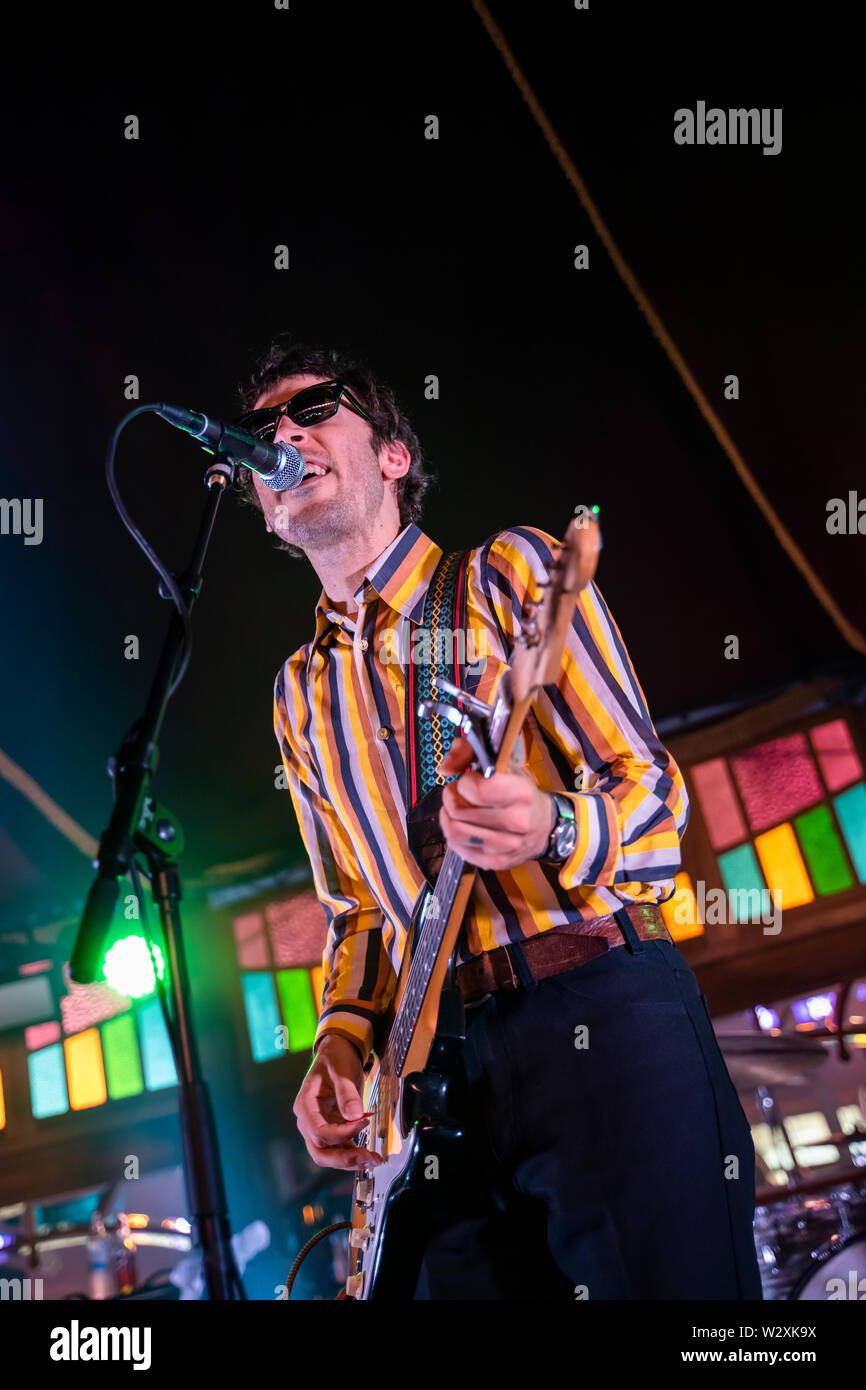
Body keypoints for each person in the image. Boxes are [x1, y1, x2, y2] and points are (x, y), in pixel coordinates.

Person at [234, 334, 763, 1300]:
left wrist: (551, 828)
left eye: (314, 410)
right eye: (262, 431)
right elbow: (358, 910)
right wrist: (340, 1042)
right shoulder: (297, 693)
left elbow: (651, 800)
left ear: (392, 455)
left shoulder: (508, 575)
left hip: (597, 1004)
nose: (283, 435)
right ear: (267, 512)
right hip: (440, 1078)